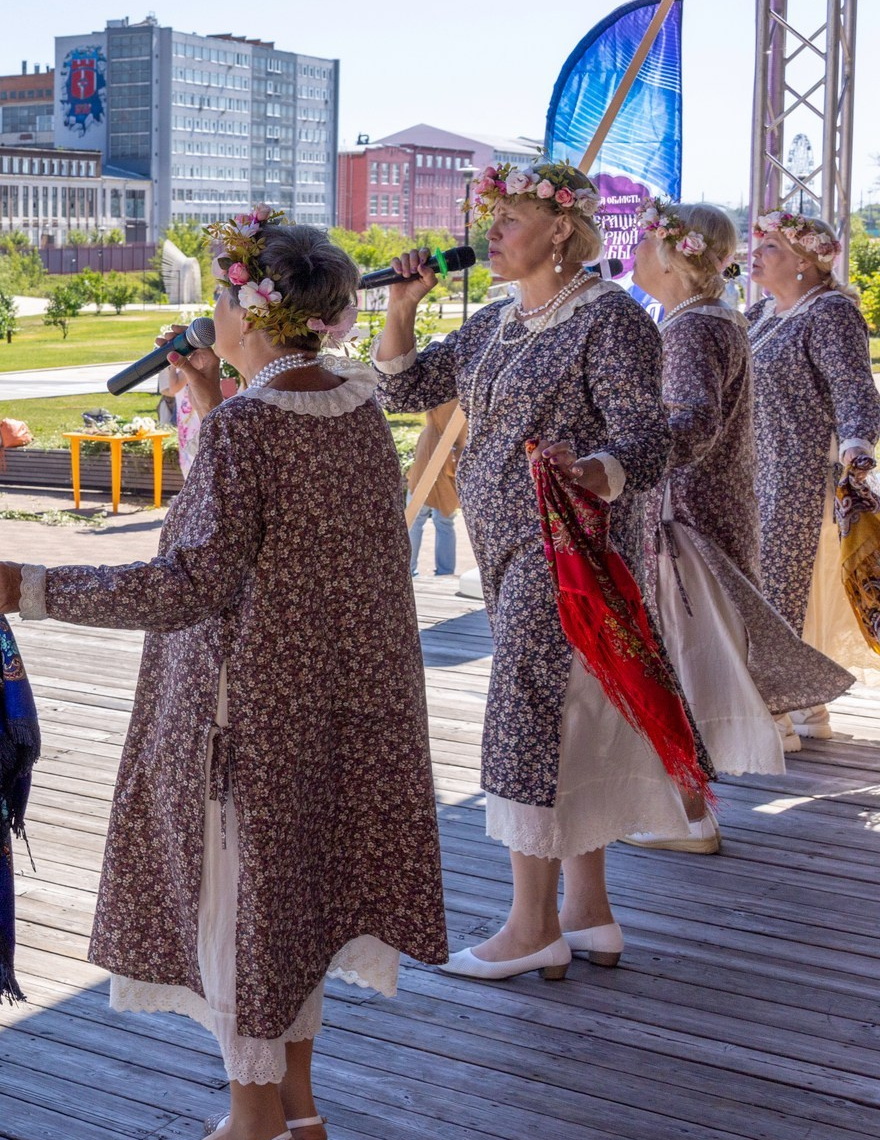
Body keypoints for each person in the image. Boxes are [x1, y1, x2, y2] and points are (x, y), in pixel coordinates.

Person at [0, 211, 446, 1140]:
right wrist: (210, 400)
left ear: (252, 311)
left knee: (238, 908)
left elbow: (189, 580)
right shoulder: (352, 405)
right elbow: (263, 524)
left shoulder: (246, 430)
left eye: (222, 294)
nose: (209, 309)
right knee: (291, 901)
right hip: (330, 704)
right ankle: (296, 1105)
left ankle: (253, 1125)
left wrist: (32, 587)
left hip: (244, 710)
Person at [377, 162, 678, 979]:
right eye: (493, 220)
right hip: (504, 547)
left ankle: (531, 924)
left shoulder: (609, 318)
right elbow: (405, 388)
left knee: (526, 717)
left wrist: (593, 467)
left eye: (508, 220)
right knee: (559, 716)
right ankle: (587, 913)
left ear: (559, 229)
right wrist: (401, 309)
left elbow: (648, 437)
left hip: (567, 546)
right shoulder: (497, 320)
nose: (492, 235)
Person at [624, 201, 854, 822]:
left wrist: (616, 460)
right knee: (726, 624)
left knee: (707, 634)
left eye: (644, 241)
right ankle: (734, 748)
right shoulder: (727, 317)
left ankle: (690, 801)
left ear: (674, 255)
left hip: (718, 494)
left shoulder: (700, 327)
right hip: (730, 485)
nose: (633, 251)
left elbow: (692, 420)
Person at [744, 207, 880, 741]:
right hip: (754, 467)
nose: (755, 254)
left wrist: (857, 443)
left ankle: (777, 712)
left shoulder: (829, 311)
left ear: (805, 261)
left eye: (770, 247)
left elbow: (853, 385)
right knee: (764, 585)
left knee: (778, 587)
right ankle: (805, 706)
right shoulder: (760, 313)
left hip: (800, 470)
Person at [406, 402, 463, 577]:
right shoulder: (466, 390)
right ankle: (445, 572)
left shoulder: (442, 387)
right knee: (444, 521)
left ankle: (409, 570)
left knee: (416, 518)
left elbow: (412, 407)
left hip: (432, 449)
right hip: (455, 453)